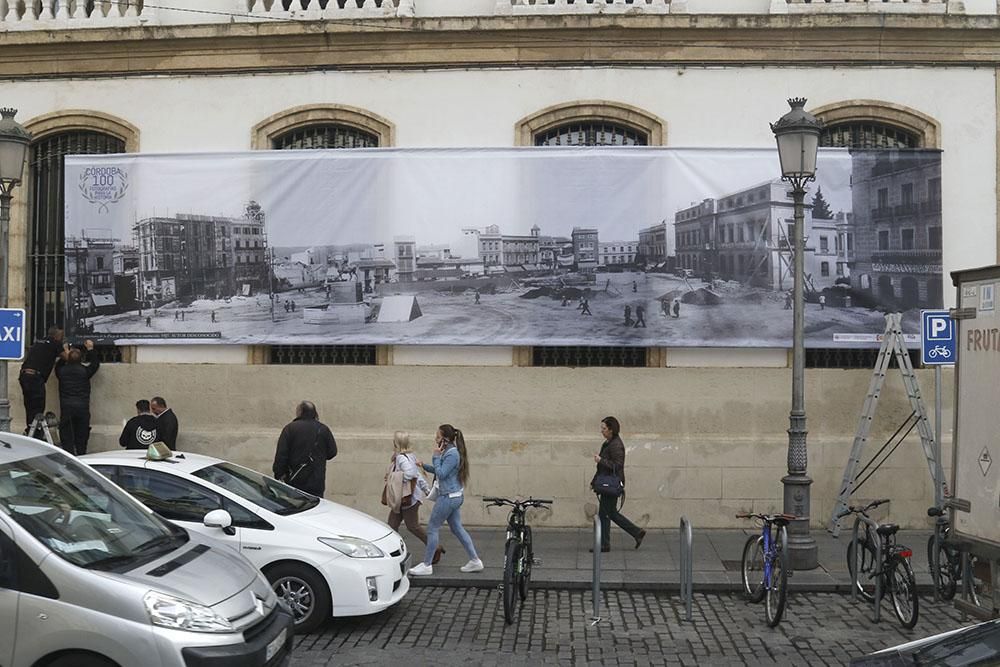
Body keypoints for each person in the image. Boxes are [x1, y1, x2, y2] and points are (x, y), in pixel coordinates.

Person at [409, 424, 483, 576]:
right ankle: (475, 561)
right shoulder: (449, 452)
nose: (435, 439)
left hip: (448, 497)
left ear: (445, 439)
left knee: (432, 528)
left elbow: (442, 474)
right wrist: (424, 466)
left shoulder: (452, 454)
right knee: (457, 528)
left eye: (437, 436)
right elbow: (442, 470)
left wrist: (436, 456)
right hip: (454, 496)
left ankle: (427, 564)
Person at [385, 431, 443, 564]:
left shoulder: (401, 457)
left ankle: (435, 547)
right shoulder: (409, 456)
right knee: (392, 526)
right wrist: (426, 490)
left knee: (412, 526)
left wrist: (395, 479)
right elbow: (418, 475)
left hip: (407, 498)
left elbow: (411, 474)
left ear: (397, 443)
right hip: (406, 498)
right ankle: (393, 552)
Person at [592, 416, 645, 552]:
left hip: (611, 485)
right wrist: (595, 481)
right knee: (609, 513)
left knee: (606, 514)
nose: (601, 431)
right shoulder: (608, 443)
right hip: (606, 484)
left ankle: (605, 544)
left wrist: (601, 460)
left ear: (611, 429)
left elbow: (618, 465)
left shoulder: (616, 445)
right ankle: (636, 533)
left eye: (604, 428)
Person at [272, 400, 338, 497]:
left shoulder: (290, 428)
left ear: (300, 412)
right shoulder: (323, 429)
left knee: (295, 508)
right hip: (317, 481)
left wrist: (279, 474)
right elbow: (332, 452)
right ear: (315, 413)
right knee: (316, 509)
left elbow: (281, 455)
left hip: (294, 480)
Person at [55, 340, 100, 455]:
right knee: (82, 434)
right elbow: (95, 364)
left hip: (67, 406)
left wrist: (65, 352)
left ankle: (68, 455)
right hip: (82, 407)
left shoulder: (62, 371)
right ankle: (81, 454)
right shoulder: (85, 371)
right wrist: (90, 349)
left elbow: (58, 365)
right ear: (81, 359)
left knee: (66, 434)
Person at [19, 326, 64, 434]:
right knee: (39, 407)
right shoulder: (55, 343)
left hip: (24, 376)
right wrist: (66, 349)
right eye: (62, 336)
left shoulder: (39, 341)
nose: (62, 338)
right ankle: (37, 433)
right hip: (35, 377)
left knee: (29, 405)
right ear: (56, 336)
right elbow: (68, 357)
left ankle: (30, 429)